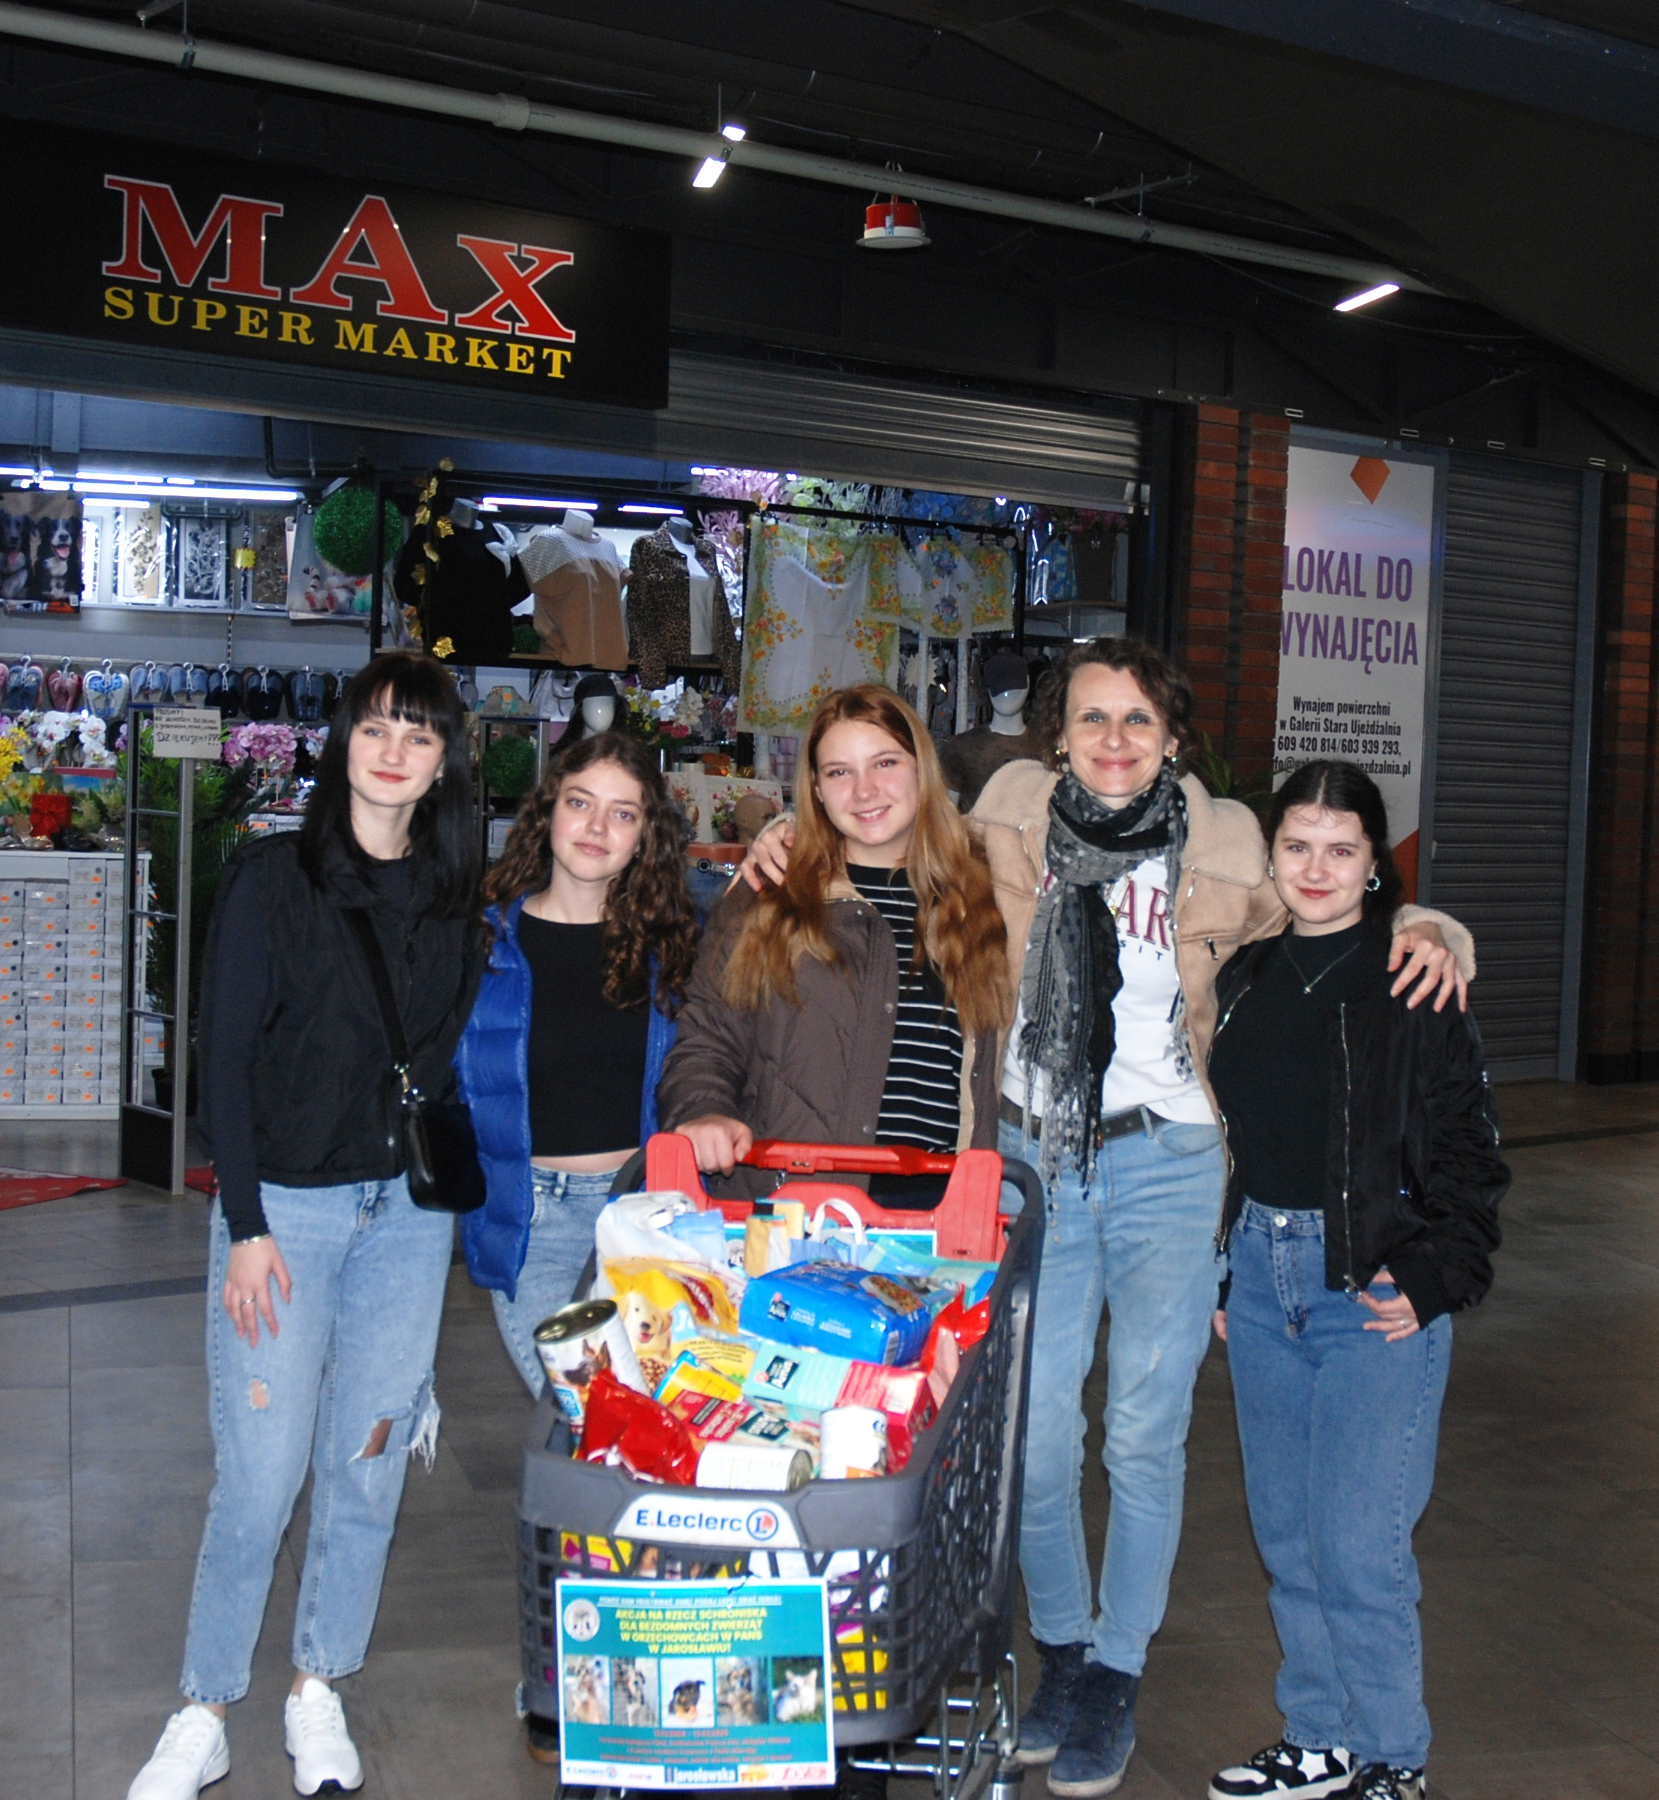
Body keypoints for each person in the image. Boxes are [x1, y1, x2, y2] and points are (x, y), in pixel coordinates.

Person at [740, 640, 1470, 1798]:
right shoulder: (1003, 816)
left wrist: (1431, 926)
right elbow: (885, 830)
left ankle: (1117, 1670)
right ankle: (1066, 1650)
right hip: (1034, 1157)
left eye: (1138, 720)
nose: (1115, 740)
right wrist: (783, 837)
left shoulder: (1229, 840)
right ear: (1058, 737)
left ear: (1172, 738)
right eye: (1091, 719)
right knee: (1034, 1437)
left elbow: (1333, 897)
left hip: (1169, 1161)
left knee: (1141, 1433)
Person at [127, 652, 483, 1800]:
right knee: (261, 1476)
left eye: (419, 735)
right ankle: (204, 1707)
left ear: (443, 762)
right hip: (284, 1215)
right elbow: (223, 1057)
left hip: (407, 1224)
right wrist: (242, 1222)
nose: (394, 751)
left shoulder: (454, 896)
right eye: (376, 727)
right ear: (343, 742)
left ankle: (316, 1684)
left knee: (367, 1466)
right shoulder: (273, 880)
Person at [1205, 762, 1506, 1800]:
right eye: (1297, 846)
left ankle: (1391, 1756)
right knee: (1288, 1538)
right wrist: (1226, 1266)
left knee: (1358, 1546)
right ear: (1272, 854)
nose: (1316, 868)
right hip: (1259, 1279)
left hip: (1371, 1288)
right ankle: (1317, 1736)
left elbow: (1471, 1153)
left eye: (1341, 850)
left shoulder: (1414, 978)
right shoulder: (1246, 975)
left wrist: (1432, 1279)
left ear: (1375, 864)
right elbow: (1236, 1139)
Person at [659, 682, 1012, 1205]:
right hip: (799, 1208)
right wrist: (703, 1110)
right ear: (816, 789)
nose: (865, 791)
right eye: (839, 772)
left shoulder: (983, 890)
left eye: (885, 763)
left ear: (922, 768)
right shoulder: (771, 891)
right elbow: (708, 1035)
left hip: (944, 1210)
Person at [455, 730, 697, 1395]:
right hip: (529, 1219)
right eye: (580, 802)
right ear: (548, 811)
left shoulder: (675, 947)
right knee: (581, 1411)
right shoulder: (483, 941)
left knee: (652, 1415)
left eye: (623, 813)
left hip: (644, 1213)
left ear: (645, 836)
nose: (596, 827)